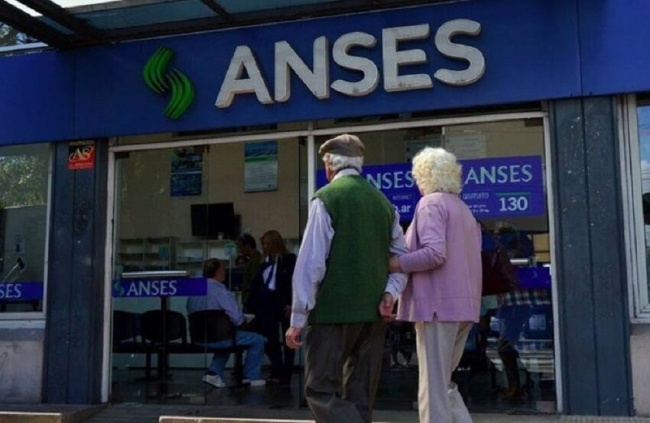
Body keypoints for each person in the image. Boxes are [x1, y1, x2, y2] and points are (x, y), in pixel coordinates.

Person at [285, 133, 408, 423]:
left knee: (320, 390)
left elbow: (311, 264)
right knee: (361, 396)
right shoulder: (383, 203)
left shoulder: (327, 199)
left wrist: (298, 318)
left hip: (332, 312)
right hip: (373, 313)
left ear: (329, 164)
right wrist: (390, 293)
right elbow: (400, 258)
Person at [389, 147, 482, 423]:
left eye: (418, 176)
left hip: (437, 307)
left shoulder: (431, 204)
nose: (417, 182)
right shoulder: (463, 209)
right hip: (464, 306)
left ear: (425, 176)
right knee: (444, 382)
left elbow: (434, 254)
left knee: (433, 387)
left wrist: (394, 264)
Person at [492, 222, 550, 402]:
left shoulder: (508, 254)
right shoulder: (518, 249)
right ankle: (523, 381)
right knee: (509, 348)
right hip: (518, 306)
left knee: (505, 348)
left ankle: (517, 386)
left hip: (515, 307)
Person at [186, 258, 266, 388]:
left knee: (225, 338)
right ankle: (250, 377)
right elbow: (237, 319)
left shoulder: (195, 291)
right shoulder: (220, 291)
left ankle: (213, 373)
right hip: (221, 338)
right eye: (223, 269)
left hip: (199, 338)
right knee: (257, 340)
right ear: (218, 272)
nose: (225, 272)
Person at [247, 229, 297, 386]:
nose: (264, 247)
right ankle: (277, 369)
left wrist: (292, 303)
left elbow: (293, 282)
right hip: (267, 304)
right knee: (271, 339)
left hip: (283, 302)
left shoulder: (288, 260)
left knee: (288, 340)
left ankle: (287, 373)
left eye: (266, 244)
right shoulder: (264, 262)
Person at [238, 234, 263, 311]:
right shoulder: (251, 261)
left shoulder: (255, 261)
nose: (240, 250)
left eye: (241, 247)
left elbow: (254, 282)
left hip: (252, 300)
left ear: (248, 246)